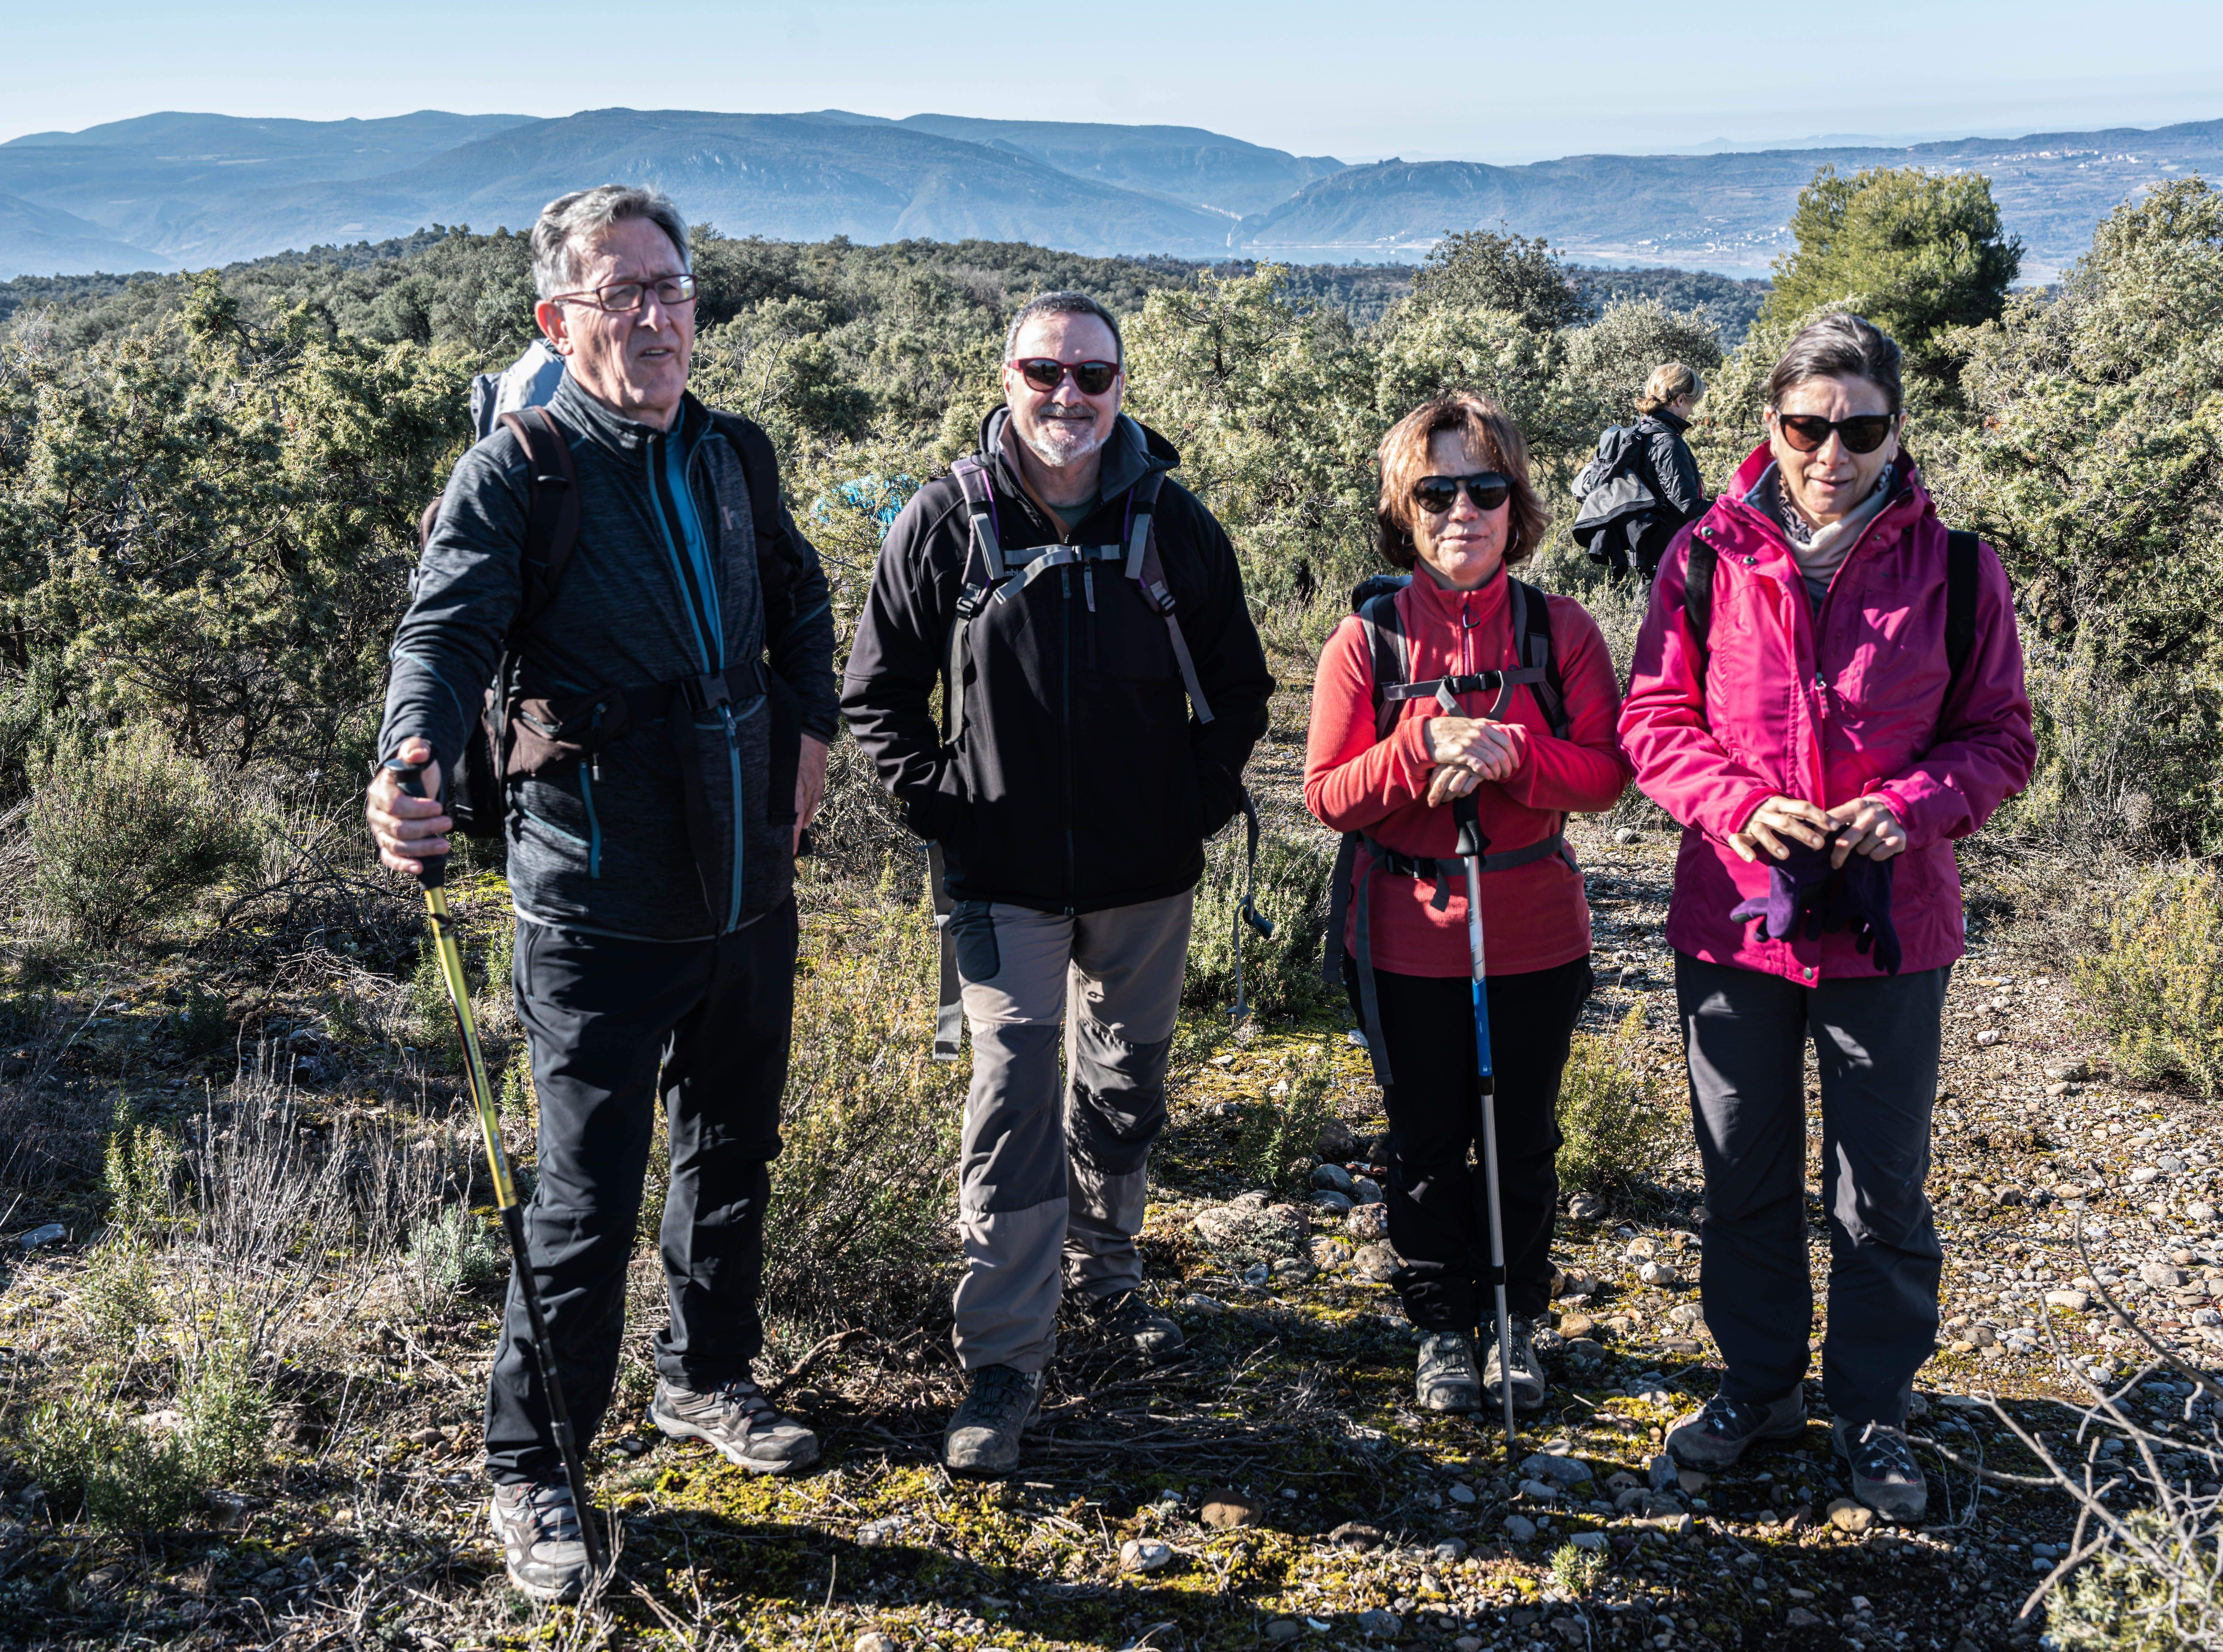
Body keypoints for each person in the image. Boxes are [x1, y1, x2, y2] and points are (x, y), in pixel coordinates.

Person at [364, 185, 839, 1601]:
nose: (656, 314)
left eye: (673, 287)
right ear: (556, 319)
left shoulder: (734, 454)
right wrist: (413, 753)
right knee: (583, 1202)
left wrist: (808, 734)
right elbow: (443, 633)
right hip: (596, 897)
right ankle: (537, 1466)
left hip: (748, 883)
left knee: (733, 1149)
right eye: (621, 291)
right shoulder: (522, 476)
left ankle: (708, 1376)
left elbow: (804, 603)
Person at [841, 291, 1273, 1477]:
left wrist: (1186, 802)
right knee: (1014, 1085)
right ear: (1006, 376)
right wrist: (946, 806)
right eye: (1044, 373)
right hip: (1003, 880)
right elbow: (874, 699)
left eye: (1091, 375)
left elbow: (1238, 688)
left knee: (1125, 1082)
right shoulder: (943, 522)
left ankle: (1106, 1271)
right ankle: (1002, 1357)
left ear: (1121, 385)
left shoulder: (1172, 524)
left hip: (1146, 874)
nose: (1067, 398)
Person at [1617, 313, 2035, 1523]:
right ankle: (1756, 1386)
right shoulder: (1703, 555)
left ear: (1895, 429)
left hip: (1889, 929)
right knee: (1739, 1171)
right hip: (1733, 925)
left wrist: (1907, 810)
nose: (1830, 453)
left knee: (1879, 1188)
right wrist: (1737, 809)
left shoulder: (1957, 570)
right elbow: (1655, 722)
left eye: (1858, 429)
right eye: (1806, 427)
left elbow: (1998, 740)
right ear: (1770, 426)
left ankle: (1871, 1411)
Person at [1303, 393, 1629, 1417]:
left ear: (1516, 504)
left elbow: (1608, 772)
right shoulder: (1367, 642)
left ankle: (1517, 1319)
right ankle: (1443, 1326)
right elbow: (1325, 793)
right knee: (1426, 1138)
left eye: (1485, 488)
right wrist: (1418, 751)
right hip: (1403, 939)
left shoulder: (1560, 629)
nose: (1462, 510)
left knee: (1525, 1134)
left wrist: (1513, 754)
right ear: (1405, 506)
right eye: (1436, 490)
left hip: (1536, 933)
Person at [1570, 362, 1705, 581]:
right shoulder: (1668, 443)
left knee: (1647, 612)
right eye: (1692, 404)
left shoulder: (1642, 433)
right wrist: (1732, 509)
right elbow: (1688, 507)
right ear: (1680, 400)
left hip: (1650, 558)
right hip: (1672, 561)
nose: (1691, 412)